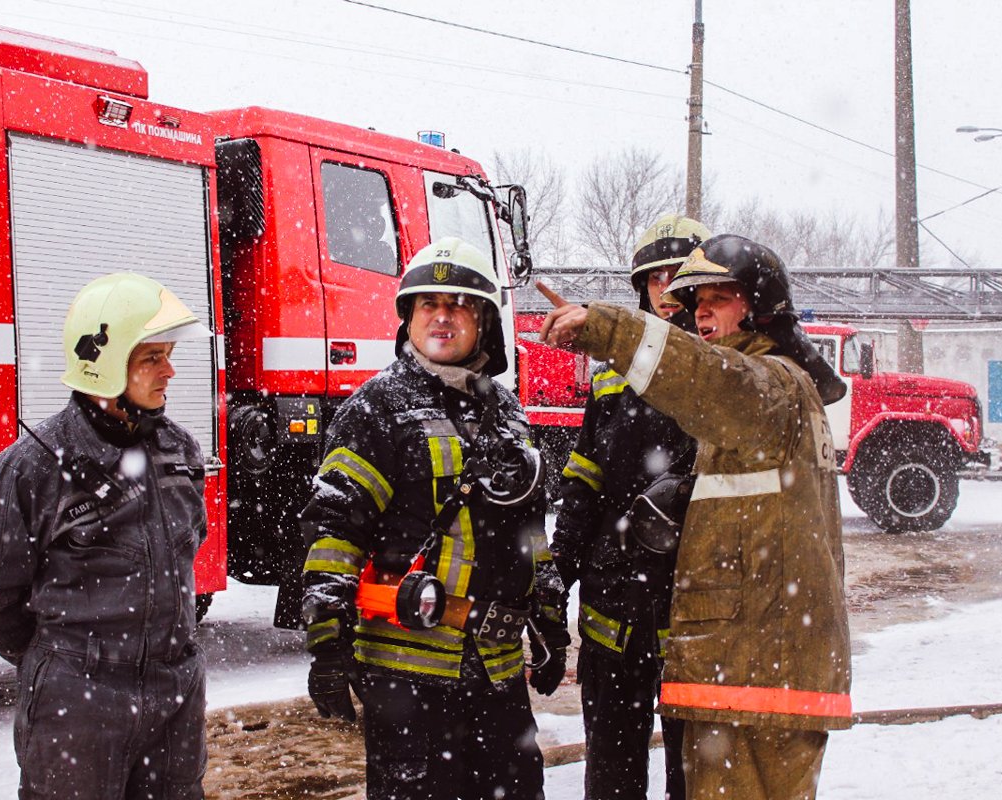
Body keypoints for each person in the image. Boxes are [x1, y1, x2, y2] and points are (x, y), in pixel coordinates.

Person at [539, 234, 852, 800]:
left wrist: (605, 328)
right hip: (747, 671)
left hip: (758, 678)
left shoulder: (771, 385)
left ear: (762, 308)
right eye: (696, 300)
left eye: (719, 297)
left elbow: (710, 378)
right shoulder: (772, 390)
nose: (699, 311)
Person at [299, 237, 570, 800]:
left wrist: (548, 617)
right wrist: (327, 639)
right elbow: (336, 527)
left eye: (458, 304)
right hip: (407, 678)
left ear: (484, 321)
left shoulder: (508, 412)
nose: (441, 316)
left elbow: (530, 530)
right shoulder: (375, 407)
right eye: (428, 304)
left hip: (497, 673)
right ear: (409, 317)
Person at [0, 273, 214, 799]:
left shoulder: (180, 451)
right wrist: (62, 661)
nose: (169, 371)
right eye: (152, 358)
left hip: (175, 695)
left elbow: (187, 551)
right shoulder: (33, 466)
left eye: (168, 356)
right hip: (78, 705)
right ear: (105, 365)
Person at [550, 215, 710, 800]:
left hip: (695, 612)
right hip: (614, 611)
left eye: (679, 277)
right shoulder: (610, 379)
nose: (666, 290)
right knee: (612, 775)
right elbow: (584, 480)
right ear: (640, 287)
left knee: (697, 777)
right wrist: (557, 574)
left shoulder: (724, 373)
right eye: (655, 278)